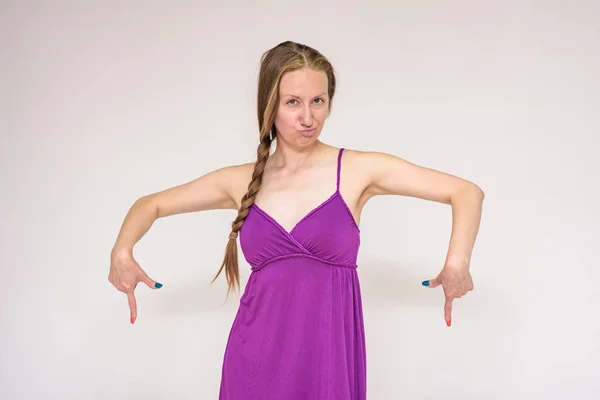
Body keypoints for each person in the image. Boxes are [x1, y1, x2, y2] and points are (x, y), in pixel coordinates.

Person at [108, 40, 484, 399]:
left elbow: (466, 192)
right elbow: (149, 204)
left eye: (318, 101)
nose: (308, 118)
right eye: (293, 103)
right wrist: (122, 251)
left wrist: (457, 263)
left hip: (328, 359)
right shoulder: (240, 180)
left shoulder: (357, 170)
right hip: (254, 358)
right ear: (270, 105)